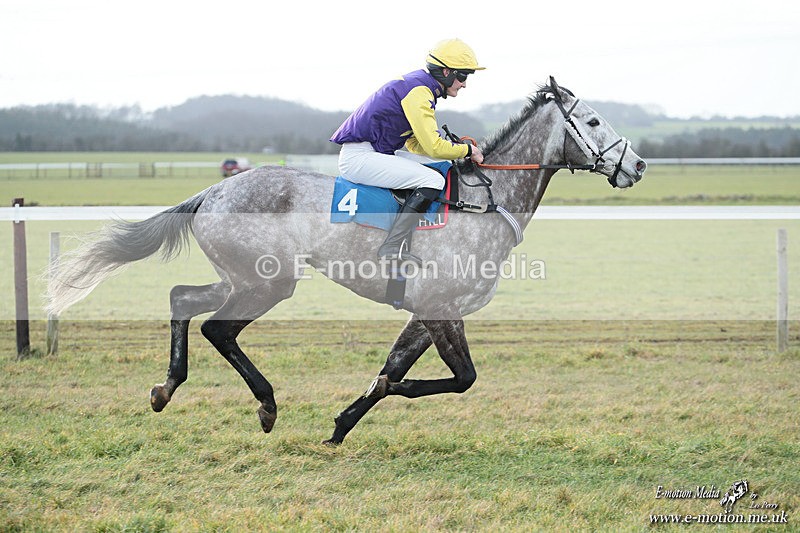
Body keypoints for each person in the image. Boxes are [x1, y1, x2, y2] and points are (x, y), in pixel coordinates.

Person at [330, 38, 485, 264]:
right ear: (446, 72)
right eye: (462, 76)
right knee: (433, 181)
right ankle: (392, 246)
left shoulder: (422, 87)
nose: (464, 84)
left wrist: (453, 151)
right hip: (361, 157)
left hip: (374, 154)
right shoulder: (420, 92)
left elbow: (415, 144)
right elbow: (433, 146)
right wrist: (466, 150)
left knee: (438, 168)